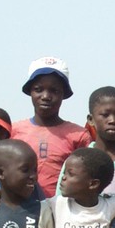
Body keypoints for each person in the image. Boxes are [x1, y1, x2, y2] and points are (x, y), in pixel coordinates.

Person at [12, 56, 91, 197]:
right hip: (22, 210)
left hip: (63, 211)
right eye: (38, 89)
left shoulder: (78, 135)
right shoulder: (14, 131)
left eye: (54, 91)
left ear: (64, 94)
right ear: (30, 91)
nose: (46, 96)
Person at [63, 86, 115, 198]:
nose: (113, 120)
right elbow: (61, 199)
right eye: (105, 115)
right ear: (91, 120)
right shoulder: (76, 161)